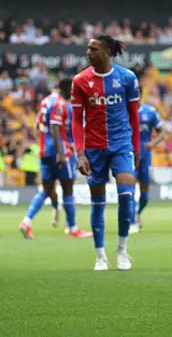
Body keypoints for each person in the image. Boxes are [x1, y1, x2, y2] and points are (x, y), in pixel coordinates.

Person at [72, 35, 140, 271]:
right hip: (93, 149)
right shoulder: (80, 81)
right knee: (98, 202)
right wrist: (80, 153)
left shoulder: (127, 78)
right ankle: (100, 256)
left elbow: (134, 116)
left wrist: (137, 148)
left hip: (122, 146)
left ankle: (122, 250)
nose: (88, 52)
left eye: (93, 48)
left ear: (106, 52)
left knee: (126, 195)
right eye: (88, 48)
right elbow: (76, 120)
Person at [19, 78, 92, 240]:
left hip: (45, 151)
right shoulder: (59, 104)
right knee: (68, 189)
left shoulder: (45, 102)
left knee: (46, 190)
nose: (72, 94)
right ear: (66, 88)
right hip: (61, 151)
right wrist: (60, 151)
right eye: (71, 90)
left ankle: (26, 222)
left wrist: (44, 145)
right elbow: (54, 127)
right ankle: (73, 228)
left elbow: (38, 126)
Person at [129, 103, 166, 234]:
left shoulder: (150, 111)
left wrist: (153, 143)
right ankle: (132, 221)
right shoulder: (122, 109)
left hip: (145, 153)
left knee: (145, 192)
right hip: (129, 152)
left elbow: (162, 132)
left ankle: (138, 212)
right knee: (130, 188)